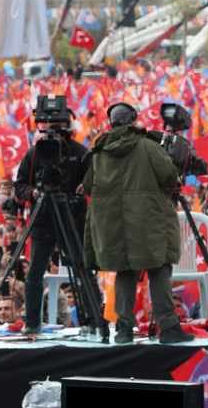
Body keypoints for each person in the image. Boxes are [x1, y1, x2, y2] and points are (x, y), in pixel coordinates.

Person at [82, 102, 194, 344]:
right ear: (133, 120)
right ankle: (168, 327)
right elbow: (169, 177)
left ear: (111, 123)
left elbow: (89, 185)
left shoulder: (98, 151)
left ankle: (123, 330)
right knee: (159, 268)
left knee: (124, 271)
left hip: (113, 224)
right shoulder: (147, 145)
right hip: (150, 220)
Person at [14, 101, 89, 335]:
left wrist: (85, 186)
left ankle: (91, 319)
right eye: (52, 125)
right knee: (35, 273)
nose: (56, 130)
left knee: (82, 270)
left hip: (72, 220)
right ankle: (32, 321)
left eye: (60, 125)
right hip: (43, 221)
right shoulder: (35, 152)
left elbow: (94, 182)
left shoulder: (80, 152)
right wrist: (33, 193)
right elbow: (19, 186)